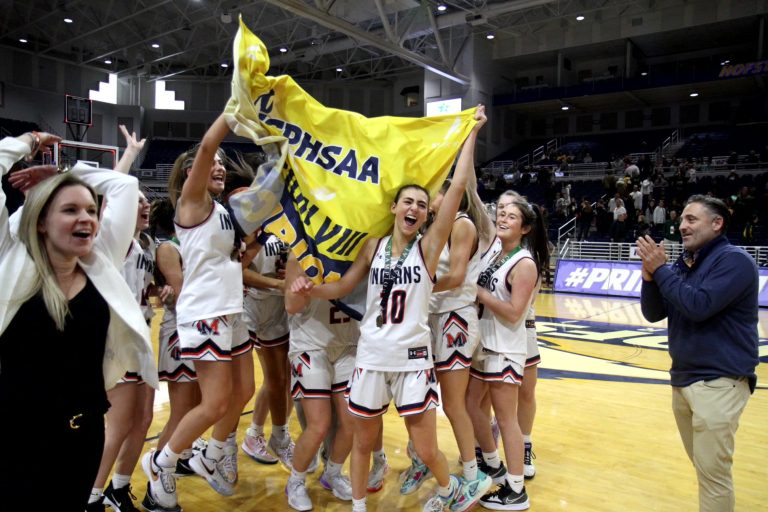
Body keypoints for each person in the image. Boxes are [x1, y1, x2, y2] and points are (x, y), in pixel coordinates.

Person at [290, 105, 488, 512]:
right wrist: (311, 288)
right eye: (407, 202)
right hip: (372, 355)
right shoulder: (373, 247)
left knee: (427, 446)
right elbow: (344, 286)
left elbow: (457, 187)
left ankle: (451, 490)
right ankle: (360, 506)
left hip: (413, 358)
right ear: (395, 209)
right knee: (362, 442)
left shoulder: (430, 248)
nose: (414, 208)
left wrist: (471, 132)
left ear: (425, 214)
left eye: (420, 203)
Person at [0, 132, 155, 510]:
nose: (86, 218)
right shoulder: (10, 257)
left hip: (81, 437)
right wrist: (29, 140)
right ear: (41, 222)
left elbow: (124, 184)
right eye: (70, 210)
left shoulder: (100, 260)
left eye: (89, 210)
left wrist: (65, 174)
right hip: (13, 438)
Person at [141, 114, 254, 509]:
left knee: (245, 391)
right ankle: (161, 461)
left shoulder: (222, 212)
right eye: (213, 163)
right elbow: (206, 147)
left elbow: (231, 265)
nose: (219, 165)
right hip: (205, 313)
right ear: (191, 174)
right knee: (214, 403)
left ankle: (211, 453)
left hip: (230, 310)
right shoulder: (192, 202)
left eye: (225, 162)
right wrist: (229, 116)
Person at [636, 195, 759, 512]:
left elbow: (698, 306)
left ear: (717, 223)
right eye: (681, 219)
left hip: (719, 381)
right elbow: (653, 314)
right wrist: (650, 277)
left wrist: (660, 270)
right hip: (685, 379)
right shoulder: (685, 263)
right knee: (707, 474)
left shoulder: (734, 261)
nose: (682, 225)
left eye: (691, 219)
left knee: (714, 478)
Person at [399, 176, 494, 501]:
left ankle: (472, 474)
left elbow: (454, 276)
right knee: (420, 398)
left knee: (453, 403)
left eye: (435, 191)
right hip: (430, 319)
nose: (428, 198)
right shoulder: (431, 228)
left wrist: (413, 288)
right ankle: (422, 459)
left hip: (455, 319)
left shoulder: (462, 223)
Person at [88, 126, 159, 512]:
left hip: (141, 335)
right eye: (138, 202)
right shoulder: (105, 244)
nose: (144, 206)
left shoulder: (146, 246)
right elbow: (112, 194)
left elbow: (138, 290)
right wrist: (128, 157)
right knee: (117, 426)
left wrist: (156, 294)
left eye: (148, 203)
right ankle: (93, 496)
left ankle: (118, 486)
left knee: (144, 419)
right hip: (114, 340)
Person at [466, 197, 547, 511]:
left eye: (511, 217)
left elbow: (515, 313)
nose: (502, 218)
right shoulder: (496, 255)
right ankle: (491, 461)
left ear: (524, 228)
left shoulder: (525, 263)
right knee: (470, 403)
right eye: (501, 214)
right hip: (484, 345)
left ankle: (516, 489)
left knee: (506, 419)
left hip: (505, 348)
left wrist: (480, 293)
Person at [282, 252, 361, 510]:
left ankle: (334, 473)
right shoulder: (300, 254)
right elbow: (291, 306)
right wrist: (302, 290)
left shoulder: (362, 249)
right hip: (310, 344)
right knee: (319, 424)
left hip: (348, 342)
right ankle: (295, 481)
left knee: (351, 421)